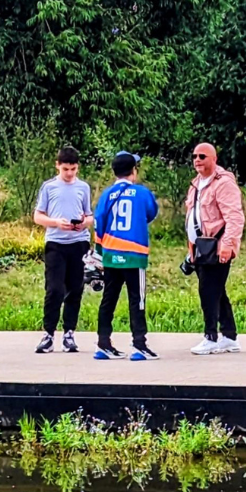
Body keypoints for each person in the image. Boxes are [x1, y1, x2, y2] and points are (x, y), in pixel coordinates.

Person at [93, 151, 159, 360]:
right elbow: (151, 212)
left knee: (108, 299)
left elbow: (99, 223)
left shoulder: (106, 195)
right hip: (134, 254)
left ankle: (103, 343)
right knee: (136, 299)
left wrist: (99, 253)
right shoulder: (141, 193)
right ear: (134, 171)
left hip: (111, 253)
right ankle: (139, 344)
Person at [185, 143, 245, 355]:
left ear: (214, 158)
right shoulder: (196, 184)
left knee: (208, 291)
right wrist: (191, 249)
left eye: (202, 156)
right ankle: (229, 336)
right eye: (194, 156)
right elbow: (193, 216)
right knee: (217, 291)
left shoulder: (223, 183)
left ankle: (210, 336)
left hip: (217, 246)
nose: (197, 160)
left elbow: (234, 216)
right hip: (200, 247)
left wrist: (228, 244)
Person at [33, 145, 93, 354]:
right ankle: (48, 333)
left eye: (73, 169)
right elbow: (37, 216)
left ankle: (69, 333)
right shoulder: (49, 187)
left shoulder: (83, 187)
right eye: (66, 169)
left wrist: (83, 223)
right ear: (57, 166)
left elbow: (90, 216)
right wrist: (56, 222)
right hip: (56, 243)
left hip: (78, 242)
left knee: (75, 288)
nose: (69, 173)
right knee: (55, 289)